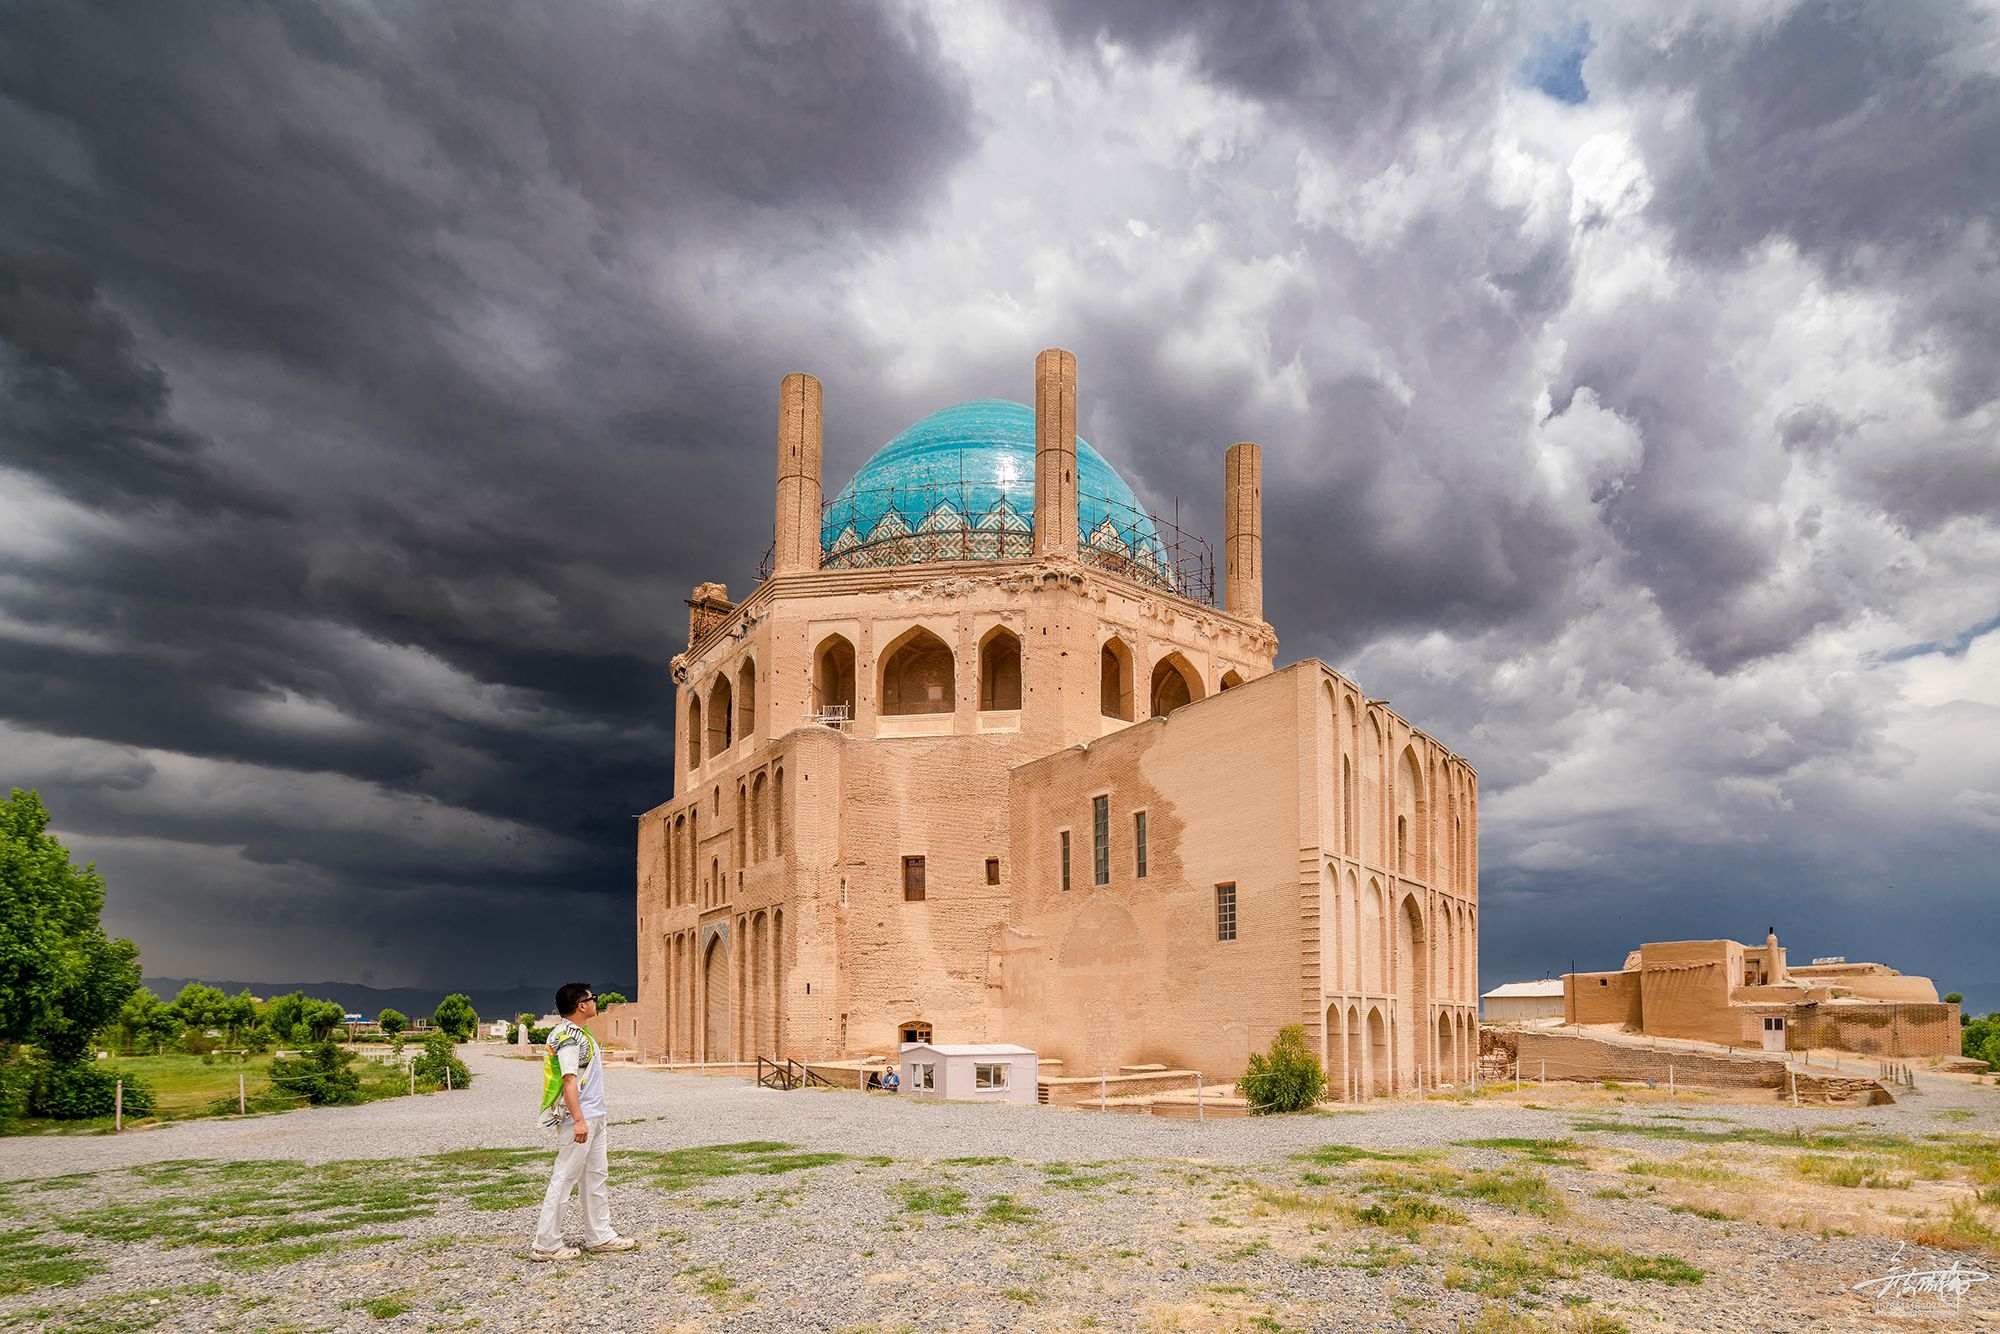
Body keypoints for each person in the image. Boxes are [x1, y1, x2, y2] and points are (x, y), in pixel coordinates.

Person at [531, 982, 638, 1261]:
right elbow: (569, 1080)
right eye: (593, 999)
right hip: (579, 1120)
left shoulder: (581, 1033)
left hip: (594, 1116)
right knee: (565, 1177)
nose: (595, 1002)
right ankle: (546, 1244)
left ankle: (599, 1235)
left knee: (595, 1177)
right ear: (581, 1005)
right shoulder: (567, 1037)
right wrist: (578, 1120)